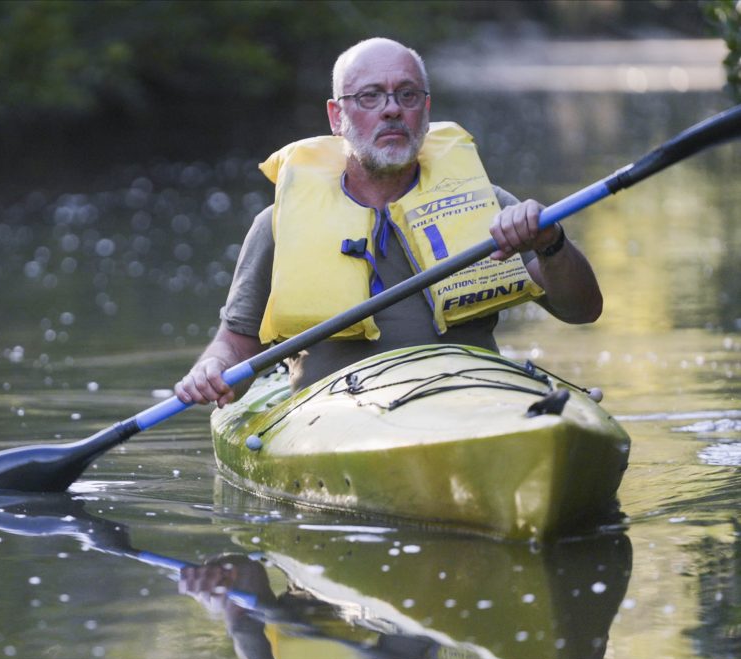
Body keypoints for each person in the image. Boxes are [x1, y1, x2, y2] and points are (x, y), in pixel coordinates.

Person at [174, 37, 602, 407]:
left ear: (426, 110)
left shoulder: (490, 206)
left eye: (407, 95)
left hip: (472, 399)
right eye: (370, 97)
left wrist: (552, 243)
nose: (392, 110)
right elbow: (236, 345)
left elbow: (583, 311)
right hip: (336, 414)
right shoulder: (277, 226)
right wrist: (212, 369)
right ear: (336, 117)